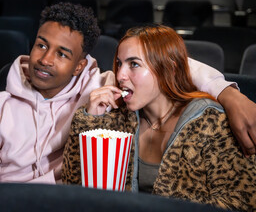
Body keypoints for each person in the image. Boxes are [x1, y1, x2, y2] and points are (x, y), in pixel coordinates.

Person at [0, 2, 255, 212]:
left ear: (79, 66)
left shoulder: (97, 87)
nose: (45, 59)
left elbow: (169, 62)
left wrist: (228, 93)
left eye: (62, 53)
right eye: (41, 45)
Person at [62, 24, 256, 211]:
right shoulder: (115, 119)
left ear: (169, 69)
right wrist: (90, 122)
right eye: (120, 64)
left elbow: (241, 201)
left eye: (134, 64)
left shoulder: (211, 122)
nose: (120, 75)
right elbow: (74, 187)